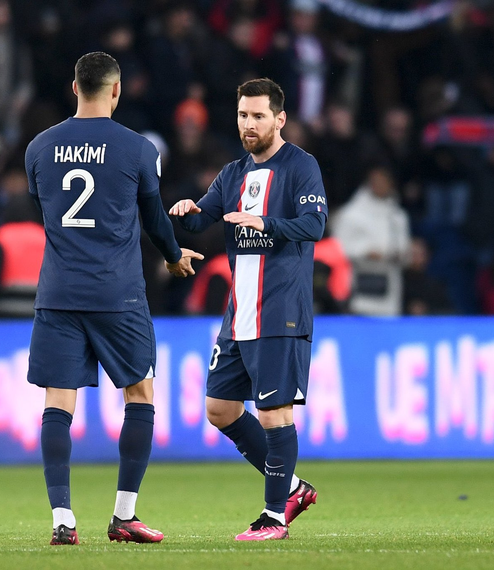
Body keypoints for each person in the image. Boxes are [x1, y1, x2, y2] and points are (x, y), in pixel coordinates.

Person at [24, 52, 202, 546]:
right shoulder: (138, 149)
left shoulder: (39, 147)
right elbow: (154, 217)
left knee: (58, 402)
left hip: (58, 293)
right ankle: (124, 516)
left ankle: (63, 519)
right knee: (140, 393)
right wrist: (171, 256)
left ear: (73, 87)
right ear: (117, 90)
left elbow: (42, 209)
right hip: (117, 294)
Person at [169, 78, 324, 541]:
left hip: (281, 310)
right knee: (220, 408)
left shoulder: (301, 166)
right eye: (242, 115)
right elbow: (204, 217)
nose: (249, 124)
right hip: (239, 314)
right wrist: (185, 211)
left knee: (276, 412)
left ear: (279, 119)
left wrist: (265, 222)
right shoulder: (234, 172)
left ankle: (274, 516)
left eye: (258, 116)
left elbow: (314, 223)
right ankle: (292, 487)